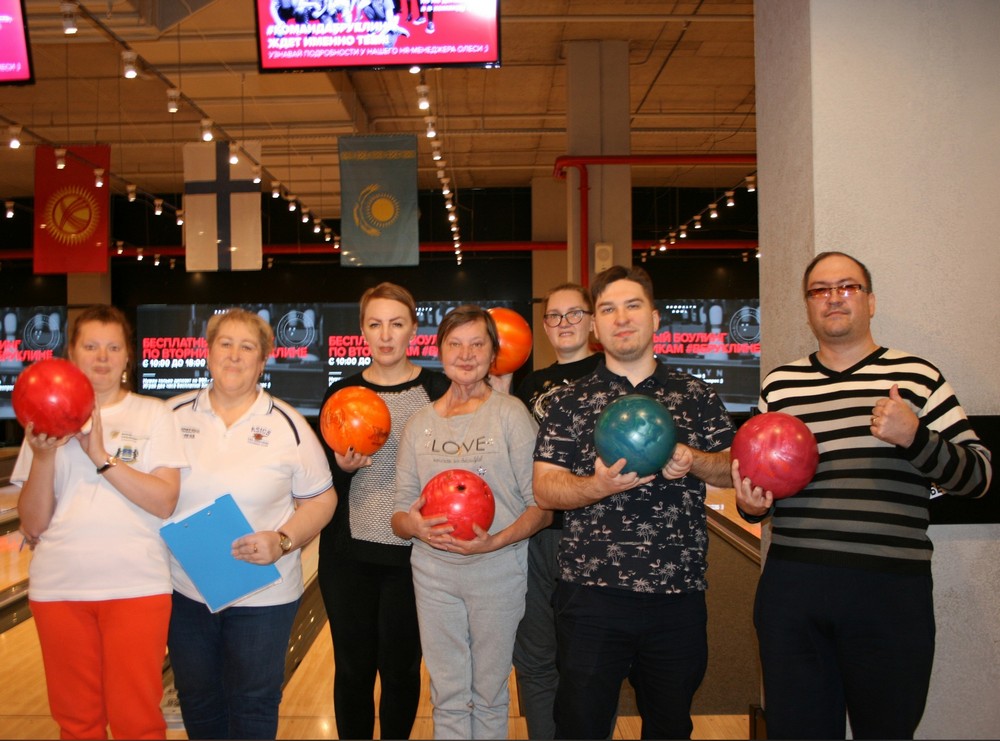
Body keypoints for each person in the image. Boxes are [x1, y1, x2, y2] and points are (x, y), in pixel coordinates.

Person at [732, 251, 993, 740]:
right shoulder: (780, 386)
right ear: (808, 306)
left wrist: (915, 437)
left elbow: (980, 476)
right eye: (820, 290)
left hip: (890, 593)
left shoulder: (917, 376)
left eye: (847, 286)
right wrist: (751, 505)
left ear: (870, 302)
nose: (833, 297)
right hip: (793, 591)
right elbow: (761, 490)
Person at [533, 265, 736, 740]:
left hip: (677, 594)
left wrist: (693, 459)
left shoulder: (695, 394)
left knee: (669, 728)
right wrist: (596, 486)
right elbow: (545, 488)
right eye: (608, 309)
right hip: (590, 594)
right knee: (580, 727)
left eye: (632, 306)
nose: (621, 318)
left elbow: (733, 468)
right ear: (595, 326)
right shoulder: (568, 401)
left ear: (655, 317)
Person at [13, 305, 187, 740]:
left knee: (137, 721)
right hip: (60, 588)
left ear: (128, 355)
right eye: (91, 346)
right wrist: (44, 455)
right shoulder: (43, 420)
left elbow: (164, 502)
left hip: (137, 586)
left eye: (113, 347)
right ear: (71, 354)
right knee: (77, 723)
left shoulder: (153, 414)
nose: (103, 357)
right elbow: (33, 524)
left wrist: (100, 456)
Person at [166, 308, 337, 740]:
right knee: (197, 697)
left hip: (264, 594)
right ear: (208, 353)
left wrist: (283, 540)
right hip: (185, 590)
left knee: (254, 701)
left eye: (247, 347)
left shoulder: (288, 425)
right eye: (225, 344)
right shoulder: (170, 416)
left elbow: (322, 499)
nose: (234, 355)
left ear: (262, 361)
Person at [392, 305, 552, 740]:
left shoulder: (511, 414)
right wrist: (414, 526)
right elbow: (399, 514)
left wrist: (495, 541)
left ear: (493, 353)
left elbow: (542, 507)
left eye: (477, 344)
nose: (466, 355)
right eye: (455, 344)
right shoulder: (419, 424)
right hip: (433, 575)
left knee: (489, 693)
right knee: (446, 694)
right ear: (440, 351)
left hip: (498, 572)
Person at [317, 283, 450, 740]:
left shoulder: (438, 391)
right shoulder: (342, 393)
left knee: (401, 670)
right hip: (347, 557)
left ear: (414, 328)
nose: (386, 334)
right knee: (352, 670)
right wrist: (341, 469)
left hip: (413, 555)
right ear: (363, 330)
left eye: (396, 323)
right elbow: (319, 486)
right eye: (375, 324)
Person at [511, 282, 601, 740]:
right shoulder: (531, 384)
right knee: (534, 657)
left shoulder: (611, 375)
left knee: (589, 662)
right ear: (544, 326)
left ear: (592, 320)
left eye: (574, 313)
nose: (564, 323)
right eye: (554, 316)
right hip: (538, 533)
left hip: (595, 535)